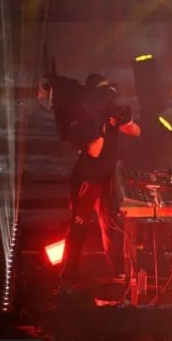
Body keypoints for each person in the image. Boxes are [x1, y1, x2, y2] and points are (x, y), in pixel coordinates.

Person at [59, 73, 141, 294]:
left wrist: (124, 120)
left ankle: (116, 271)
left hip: (106, 178)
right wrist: (102, 125)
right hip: (88, 179)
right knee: (79, 228)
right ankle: (68, 277)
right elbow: (95, 150)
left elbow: (135, 131)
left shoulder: (108, 111)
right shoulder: (84, 118)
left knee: (110, 224)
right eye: (103, 93)